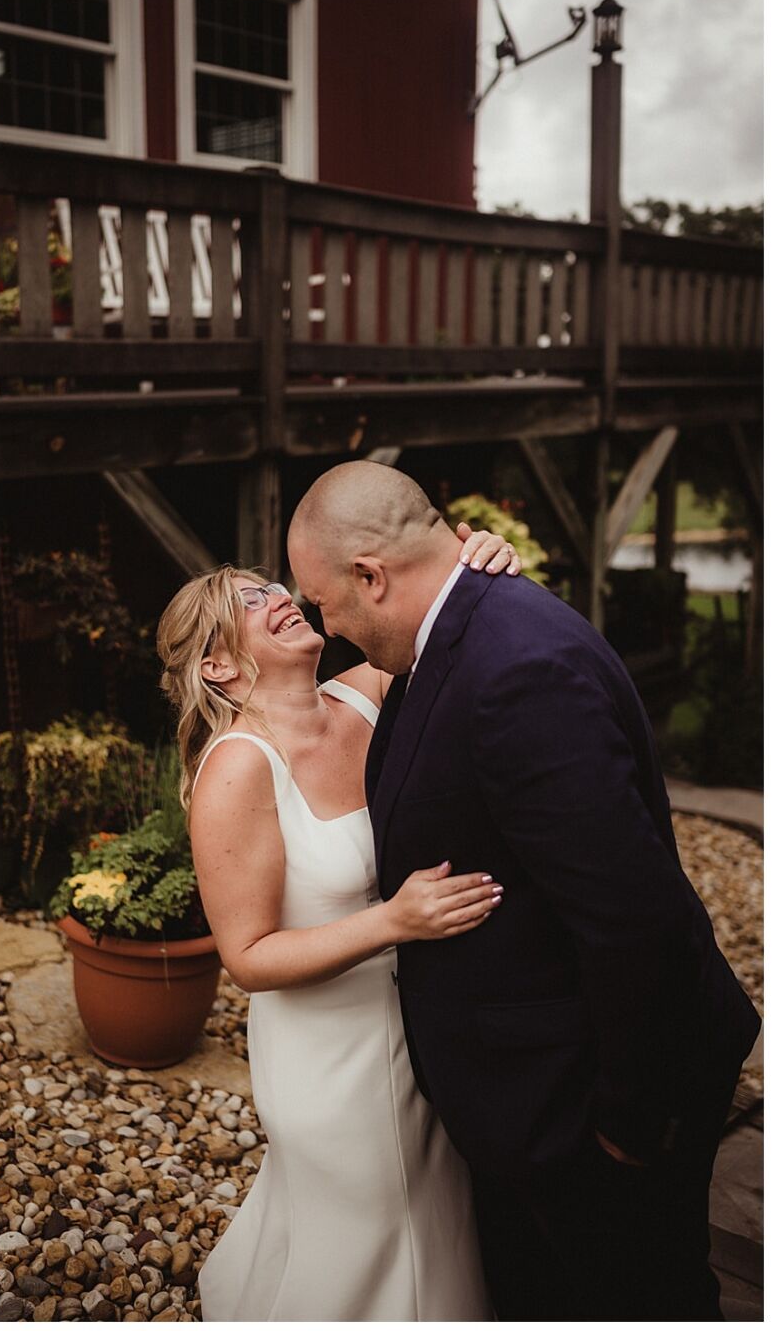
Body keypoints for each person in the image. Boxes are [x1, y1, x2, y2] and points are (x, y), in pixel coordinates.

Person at [286, 461, 761, 1321]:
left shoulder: (517, 671)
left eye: (325, 603)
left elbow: (633, 918)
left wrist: (627, 1125)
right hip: (532, 1095)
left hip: (590, 1109)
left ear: (371, 575)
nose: (330, 627)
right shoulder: (459, 624)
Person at [163, 522, 518, 1319]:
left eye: (273, 587)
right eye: (249, 603)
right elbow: (247, 957)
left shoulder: (367, 694)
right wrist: (395, 921)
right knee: (373, 1239)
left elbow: (445, 622)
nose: (279, 598)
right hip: (329, 1061)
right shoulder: (238, 769)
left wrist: (480, 563)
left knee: (435, 1220)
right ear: (219, 666)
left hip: (421, 1027)